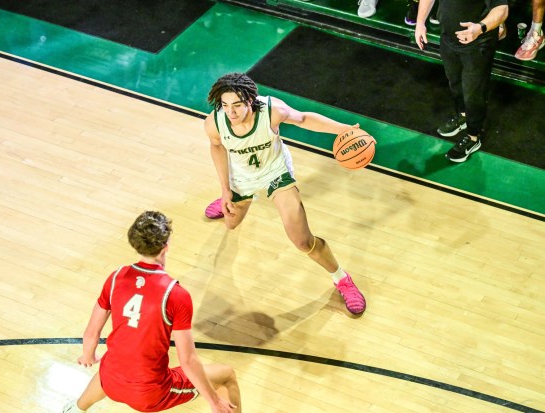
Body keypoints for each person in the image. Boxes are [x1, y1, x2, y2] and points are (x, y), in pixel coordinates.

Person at [203, 73, 366, 315]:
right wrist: (225, 189)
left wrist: (343, 130)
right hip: (241, 177)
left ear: (250, 99)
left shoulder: (272, 111)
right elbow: (216, 146)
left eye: (237, 105)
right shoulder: (215, 122)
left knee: (302, 241)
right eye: (225, 106)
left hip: (275, 172)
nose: (231, 112)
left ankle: (342, 279)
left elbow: (304, 119)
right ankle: (233, 199)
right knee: (231, 224)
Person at [62, 211, 241, 413]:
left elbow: (91, 333)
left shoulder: (116, 277)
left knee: (113, 363)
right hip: (149, 395)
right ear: (166, 246)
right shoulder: (175, 294)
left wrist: (87, 355)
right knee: (226, 376)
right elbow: (188, 361)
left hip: (109, 383)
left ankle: (76, 409)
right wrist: (214, 401)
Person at [414, 0, 509, 163]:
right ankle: (463, 116)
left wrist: (480, 28)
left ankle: (473, 137)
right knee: (455, 83)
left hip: (477, 44)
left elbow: (502, 9)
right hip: (448, 39)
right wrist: (420, 23)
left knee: (474, 93)